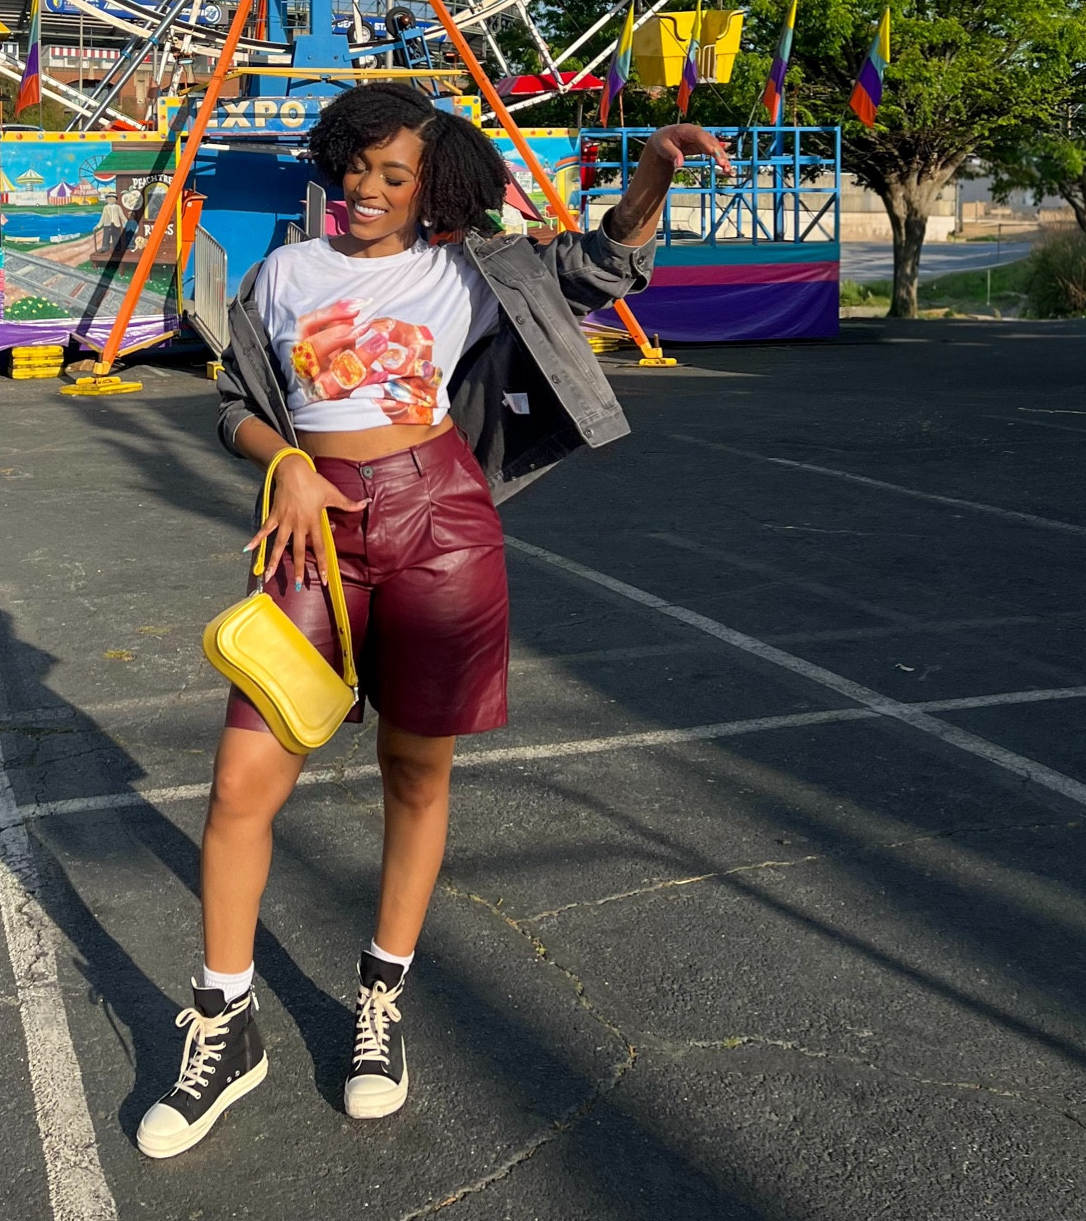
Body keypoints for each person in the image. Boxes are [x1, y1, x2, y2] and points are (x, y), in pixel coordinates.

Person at [137, 83, 732, 1158]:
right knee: (239, 783)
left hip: (438, 522)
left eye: (393, 174)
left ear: (434, 187)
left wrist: (649, 172)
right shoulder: (281, 274)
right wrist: (288, 468)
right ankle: (224, 1023)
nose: (365, 189)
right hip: (308, 535)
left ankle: (378, 1003)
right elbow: (232, 401)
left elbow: (604, 266)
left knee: (416, 773)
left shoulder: (474, 269)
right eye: (356, 165)